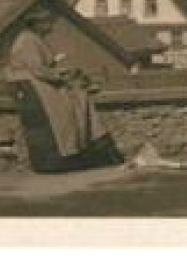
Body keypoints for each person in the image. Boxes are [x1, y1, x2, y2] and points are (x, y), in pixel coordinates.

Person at [8, 10, 123, 173]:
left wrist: (61, 73)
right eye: (47, 23)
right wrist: (61, 76)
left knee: (76, 102)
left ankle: (80, 147)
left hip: (38, 84)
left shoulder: (32, 39)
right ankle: (72, 153)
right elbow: (38, 69)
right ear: (37, 24)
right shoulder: (27, 41)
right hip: (35, 87)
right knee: (66, 111)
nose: (50, 27)